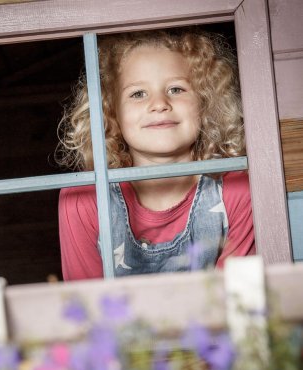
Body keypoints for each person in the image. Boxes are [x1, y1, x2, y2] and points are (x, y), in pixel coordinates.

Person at [57, 29, 255, 281]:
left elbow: (239, 303)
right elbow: (85, 308)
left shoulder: (237, 190)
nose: (159, 103)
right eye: (138, 94)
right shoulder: (83, 199)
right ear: (110, 111)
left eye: (176, 89)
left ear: (205, 101)